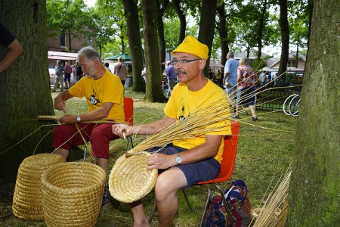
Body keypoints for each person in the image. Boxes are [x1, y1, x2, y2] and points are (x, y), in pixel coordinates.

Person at [112, 36, 231, 227]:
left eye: (185, 60)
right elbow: (167, 122)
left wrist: (171, 160)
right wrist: (133, 129)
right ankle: (140, 220)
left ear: (201, 63)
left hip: (207, 159)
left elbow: (211, 148)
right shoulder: (179, 89)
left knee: (164, 184)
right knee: (127, 164)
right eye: (175, 60)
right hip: (175, 147)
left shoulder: (216, 98)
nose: (177, 66)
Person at [52, 46, 125, 172]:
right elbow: (66, 94)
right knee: (62, 131)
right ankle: (56, 173)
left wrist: (76, 118)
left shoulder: (113, 80)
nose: (82, 69)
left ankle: (100, 178)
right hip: (92, 122)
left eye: (83, 65)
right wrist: (59, 98)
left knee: (98, 133)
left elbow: (103, 112)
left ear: (96, 62)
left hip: (113, 122)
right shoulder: (86, 81)